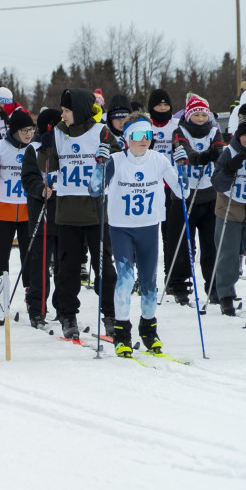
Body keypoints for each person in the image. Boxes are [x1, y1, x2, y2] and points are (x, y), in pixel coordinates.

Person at [94, 113, 185, 356]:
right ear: (126, 138)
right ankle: (122, 335)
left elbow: (182, 191)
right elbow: (94, 190)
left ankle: (149, 330)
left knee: (149, 283)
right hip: (121, 228)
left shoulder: (159, 160)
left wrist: (182, 165)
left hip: (148, 227)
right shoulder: (115, 161)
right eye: (137, 135)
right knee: (124, 280)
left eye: (148, 135)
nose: (144, 140)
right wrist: (99, 165)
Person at [37, 88, 121, 340]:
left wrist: (109, 158)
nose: (62, 115)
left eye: (66, 111)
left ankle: (110, 315)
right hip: (67, 212)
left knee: (104, 266)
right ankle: (68, 315)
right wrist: (45, 147)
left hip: (96, 212)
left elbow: (119, 161)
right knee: (68, 269)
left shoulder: (101, 131)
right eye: (62, 111)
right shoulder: (59, 134)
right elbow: (46, 167)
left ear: (80, 110)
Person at [169, 93, 225, 304]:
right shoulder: (179, 130)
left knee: (211, 244)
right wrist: (201, 157)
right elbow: (184, 151)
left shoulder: (214, 130)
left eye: (204, 114)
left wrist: (215, 154)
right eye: (197, 114)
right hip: (184, 195)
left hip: (209, 194)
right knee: (182, 243)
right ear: (189, 114)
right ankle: (179, 286)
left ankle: (213, 286)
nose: (201, 118)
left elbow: (220, 150)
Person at [209, 100, 246, 316]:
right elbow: (217, 183)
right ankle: (226, 295)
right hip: (229, 209)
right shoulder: (229, 152)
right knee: (228, 254)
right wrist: (229, 169)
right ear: (238, 135)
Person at [0, 109, 35, 281]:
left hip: (28, 211)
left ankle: (30, 293)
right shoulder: (0, 146)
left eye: (31, 130)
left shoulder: (35, 148)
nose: (29, 134)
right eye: (24, 130)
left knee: (29, 256)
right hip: (3, 209)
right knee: (0, 257)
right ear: (15, 131)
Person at [20, 108, 62, 326]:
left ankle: (64, 309)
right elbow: (28, 178)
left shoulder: (67, 145)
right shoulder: (34, 149)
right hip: (42, 213)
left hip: (65, 213)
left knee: (65, 266)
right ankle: (37, 308)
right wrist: (40, 189)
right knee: (40, 265)